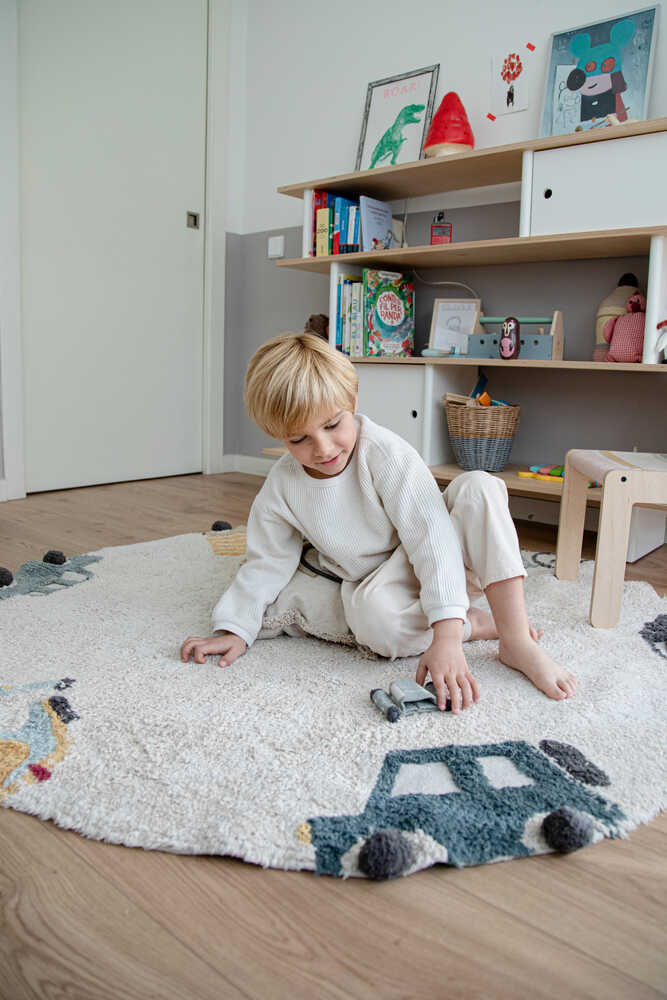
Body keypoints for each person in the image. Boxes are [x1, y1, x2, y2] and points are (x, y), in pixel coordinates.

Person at [181, 333, 577, 712]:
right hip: (387, 583)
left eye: (333, 425)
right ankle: (471, 621)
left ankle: (514, 638)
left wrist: (447, 638)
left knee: (480, 487)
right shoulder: (283, 486)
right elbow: (266, 561)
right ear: (277, 435)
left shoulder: (384, 454)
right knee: (371, 622)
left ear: (352, 399)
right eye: (299, 439)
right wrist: (234, 628)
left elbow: (430, 536)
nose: (322, 449)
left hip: (448, 555)